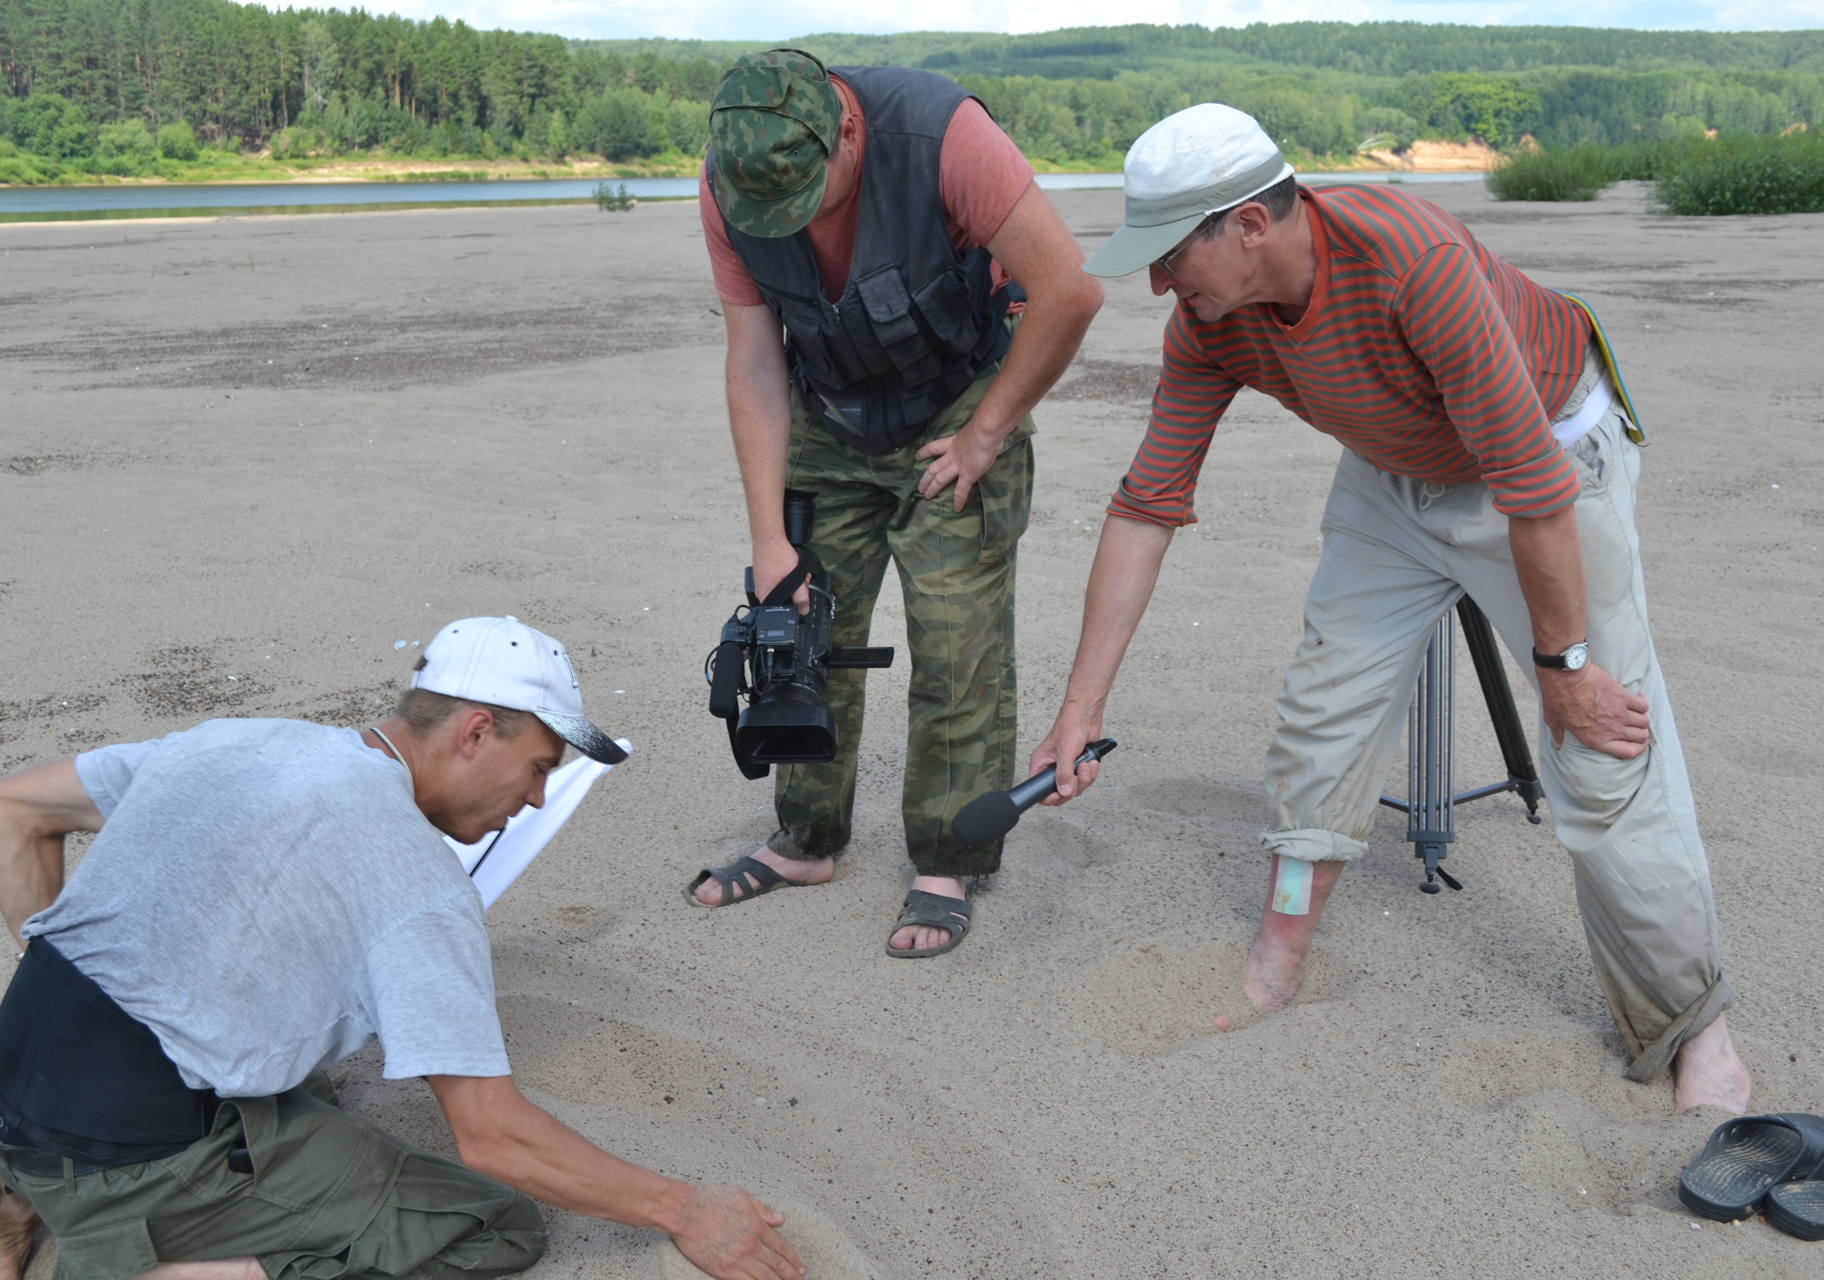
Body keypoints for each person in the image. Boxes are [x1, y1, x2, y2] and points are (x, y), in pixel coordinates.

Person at [1029, 104, 1752, 1114]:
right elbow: (1147, 504)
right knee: (1322, 711)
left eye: (1168, 252)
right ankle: (1280, 946)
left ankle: (1694, 1027)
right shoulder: (1208, 321)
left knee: (1603, 746)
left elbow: (1534, 492)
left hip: (1549, 455)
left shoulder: (1411, 260)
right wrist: (1080, 706)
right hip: (1395, 470)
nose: (1156, 282)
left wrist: (1565, 668)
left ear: (1248, 223)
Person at [0, 616, 804, 1280]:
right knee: (491, 1227)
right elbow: (494, 1139)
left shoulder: (246, 739)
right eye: (538, 766)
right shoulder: (417, 877)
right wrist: (684, 1210)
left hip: (8, 1087)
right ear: (474, 733)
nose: (536, 801)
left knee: (300, 1075)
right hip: (128, 1159)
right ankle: (183, 1258)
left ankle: (3, 1186)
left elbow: (5, 812)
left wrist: (96, 1000)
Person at [687, 48, 1103, 957]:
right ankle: (808, 840)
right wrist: (769, 540)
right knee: (802, 628)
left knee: (958, 640)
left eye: (809, 198)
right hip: (830, 415)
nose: (788, 222)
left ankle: (949, 858)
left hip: (955, 403)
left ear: (847, 129)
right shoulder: (733, 183)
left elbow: (1070, 288)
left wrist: (989, 431)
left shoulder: (944, 137)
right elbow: (756, 358)